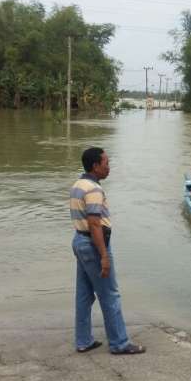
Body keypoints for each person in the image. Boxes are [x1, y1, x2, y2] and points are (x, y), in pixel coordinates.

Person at [70, 147, 145, 355]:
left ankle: (83, 340)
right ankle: (119, 343)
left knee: (84, 295)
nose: (109, 168)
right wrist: (104, 255)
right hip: (94, 244)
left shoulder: (78, 184)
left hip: (79, 241)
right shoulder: (93, 189)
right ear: (95, 166)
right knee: (110, 294)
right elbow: (94, 224)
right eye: (106, 164)